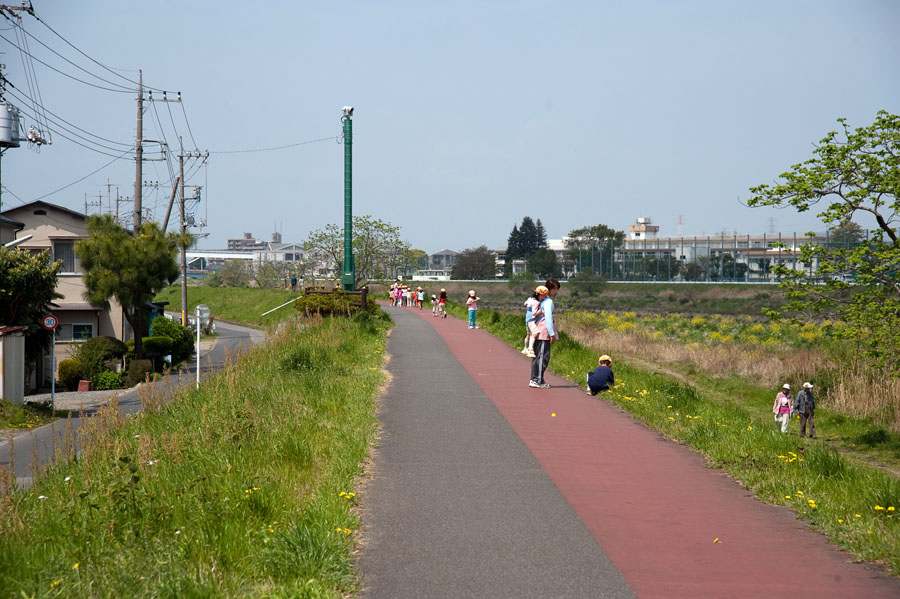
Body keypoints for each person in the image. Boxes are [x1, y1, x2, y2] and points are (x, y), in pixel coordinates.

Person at [530, 278, 560, 389]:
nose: (556, 292)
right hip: (543, 332)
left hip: (538, 330)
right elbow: (548, 318)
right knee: (543, 357)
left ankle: (538, 379)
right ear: (550, 289)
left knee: (539, 356)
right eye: (555, 289)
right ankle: (536, 379)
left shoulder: (542, 300)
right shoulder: (548, 302)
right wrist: (551, 334)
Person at [521, 286, 547, 358]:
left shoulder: (530, 299)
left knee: (528, 334)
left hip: (527, 319)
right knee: (535, 333)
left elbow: (525, 304)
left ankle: (525, 349)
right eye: (543, 296)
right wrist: (541, 310)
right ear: (539, 295)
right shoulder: (536, 302)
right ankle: (530, 350)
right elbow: (534, 314)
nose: (544, 297)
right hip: (531, 320)